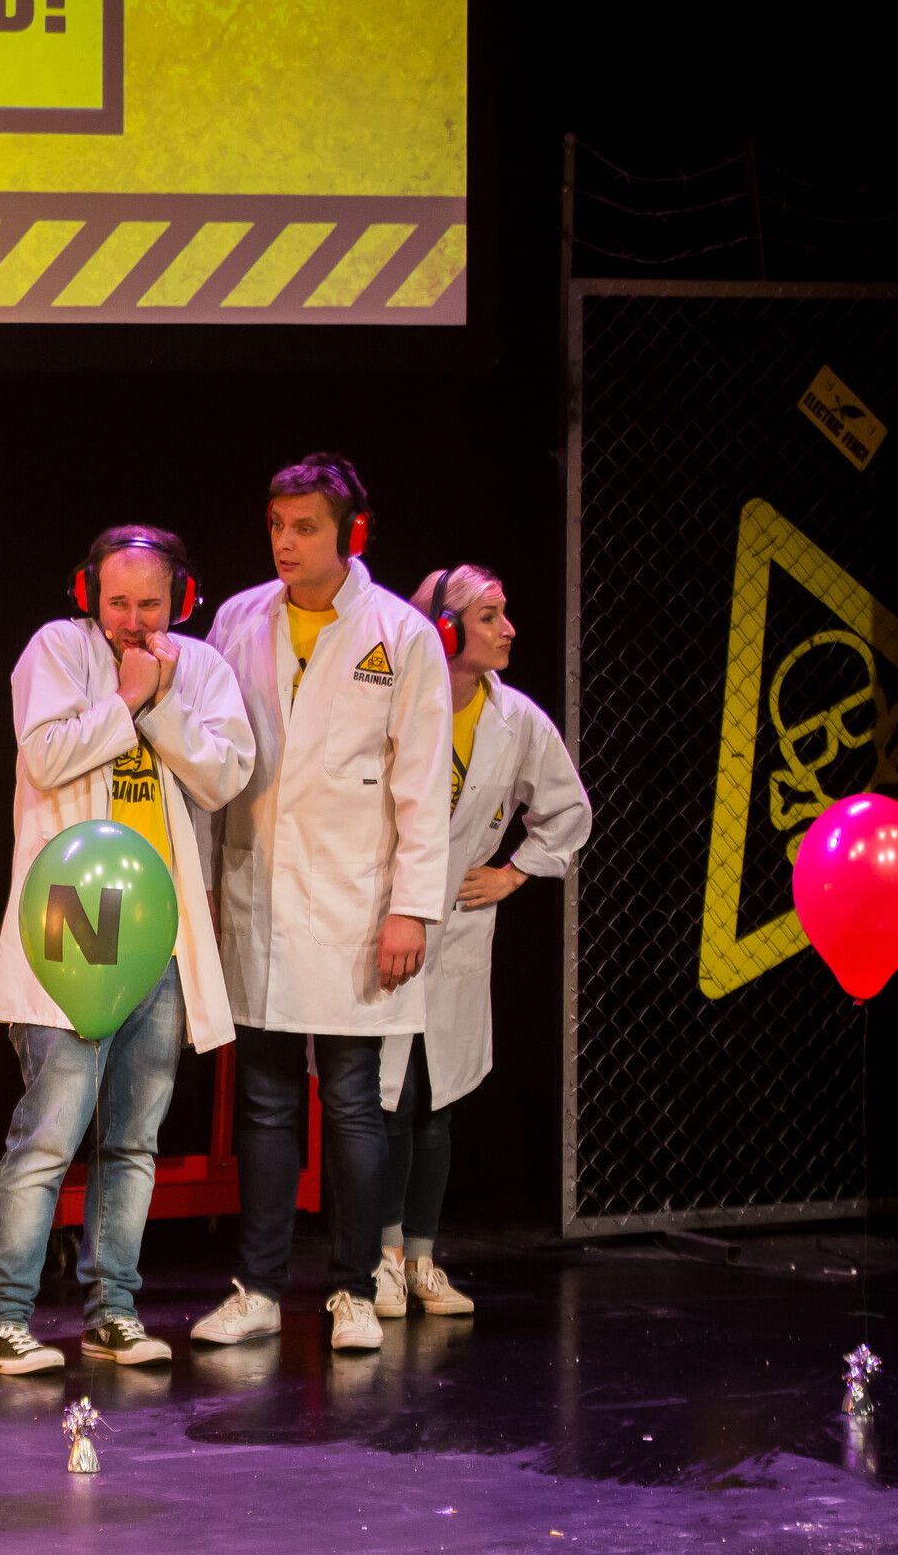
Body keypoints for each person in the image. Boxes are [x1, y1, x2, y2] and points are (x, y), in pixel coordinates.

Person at [0, 527, 255, 1374]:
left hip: (156, 936)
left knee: (133, 1140)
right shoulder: (56, 651)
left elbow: (222, 777)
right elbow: (45, 757)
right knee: (49, 1133)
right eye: (117, 602)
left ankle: (113, 1311)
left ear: (182, 600)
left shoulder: (201, 670)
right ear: (87, 595)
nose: (133, 621)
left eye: (150, 604)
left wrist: (159, 705)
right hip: (70, 922)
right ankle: (0, 1317)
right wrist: (126, 700)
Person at [194, 454, 452, 1354]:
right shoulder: (237, 620)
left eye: (304, 528)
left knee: (350, 1101)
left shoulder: (401, 636)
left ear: (352, 533)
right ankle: (259, 1290)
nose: (285, 543)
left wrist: (411, 908)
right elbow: (211, 758)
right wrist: (201, 887)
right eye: (276, 525)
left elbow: (422, 783)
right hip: (257, 891)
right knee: (264, 1101)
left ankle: (352, 1289)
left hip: (355, 901)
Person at [372, 566, 591, 1319]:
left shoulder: (516, 719)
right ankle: (381, 1257)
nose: (508, 630)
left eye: (505, 613)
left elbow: (567, 810)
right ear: (444, 627)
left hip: (459, 930)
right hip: (386, 920)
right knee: (388, 1097)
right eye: (490, 615)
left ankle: (423, 1259)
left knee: (437, 1100)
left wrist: (514, 873)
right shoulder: (397, 701)